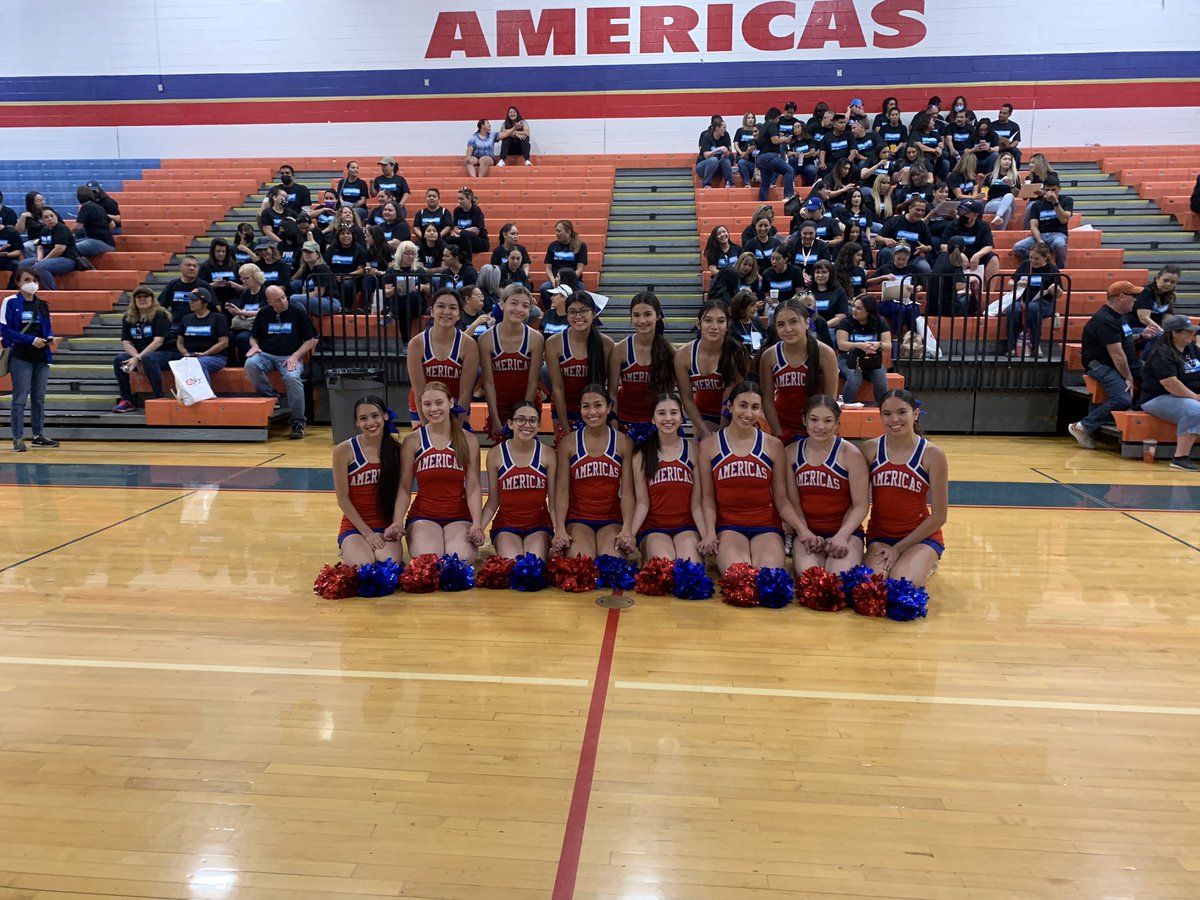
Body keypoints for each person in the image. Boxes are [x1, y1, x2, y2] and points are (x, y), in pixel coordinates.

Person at [696, 381, 804, 572]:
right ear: (730, 406)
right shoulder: (709, 445)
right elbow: (707, 498)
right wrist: (710, 533)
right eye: (742, 405)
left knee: (769, 579)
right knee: (740, 579)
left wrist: (803, 531)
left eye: (755, 407)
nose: (748, 414)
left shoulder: (774, 445)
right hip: (729, 527)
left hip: (766, 525)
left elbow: (782, 499)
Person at [390, 382, 484, 562]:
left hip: (459, 516)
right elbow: (404, 487)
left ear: (450, 403)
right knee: (430, 560)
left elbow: (473, 485)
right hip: (423, 516)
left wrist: (477, 524)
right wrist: (397, 521)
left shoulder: (468, 439)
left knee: (459, 561)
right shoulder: (413, 441)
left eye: (439, 403)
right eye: (427, 404)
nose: (433, 409)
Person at [862, 390, 947, 586]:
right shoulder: (870, 449)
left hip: (920, 537)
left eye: (902, 412)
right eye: (887, 414)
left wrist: (899, 548)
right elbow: (856, 501)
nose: (894, 419)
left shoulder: (933, 454)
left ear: (915, 414)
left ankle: (924, 560)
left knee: (901, 586)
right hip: (880, 535)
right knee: (875, 586)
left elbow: (940, 516)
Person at [786, 396, 869, 574]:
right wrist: (803, 532)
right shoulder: (791, 453)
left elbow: (860, 506)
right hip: (808, 533)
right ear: (804, 420)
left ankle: (856, 555)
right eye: (814, 419)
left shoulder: (851, 454)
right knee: (812, 582)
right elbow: (793, 503)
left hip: (845, 533)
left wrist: (842, 536)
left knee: (838, 580)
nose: (820, 427)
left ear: (837, 423)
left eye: (828, 420)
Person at [554, 385, 632, 559]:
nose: (592, 412)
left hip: (612, 519)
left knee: (611, 567)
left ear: (609, 408)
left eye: (598, 405)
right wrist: (559, 527)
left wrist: (627, 527)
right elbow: (562, 491)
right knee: (581, 566)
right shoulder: (568, 443)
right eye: (586, 406)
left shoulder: (623, 442)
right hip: (578, 519)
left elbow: (627, 491)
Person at [624, 394, 704, 562]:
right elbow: (642, 503)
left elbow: (696, 504)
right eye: (661, 413)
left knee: (689, 570)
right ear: (653, 419)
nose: (668, 418)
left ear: (681, 418)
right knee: (664, 569)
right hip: (654, 528)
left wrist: (707, 536)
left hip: (686, 527)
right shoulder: (640, 455)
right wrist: (630, 533)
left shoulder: (694, 451)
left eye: (674, 413)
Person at [1069, 281, 1143, 449]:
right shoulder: (1105, 319)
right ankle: (1082, 426)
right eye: (1133, 296)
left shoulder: (1120, 316)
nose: (1135, 300)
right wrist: (1129, 378)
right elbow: (1116, 354)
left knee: (1157, 374)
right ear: (1121, 296)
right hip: (1101, 365)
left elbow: (1122, 340)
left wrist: (1142, 336)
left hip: (1124, 363)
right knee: (1122, 399)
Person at [332, 396, 404, 565]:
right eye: (363, 418)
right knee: (364, 567)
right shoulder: (343, 450)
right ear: (357, 422)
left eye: (375, 415)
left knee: (388, 564)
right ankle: (349, 547)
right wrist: (368, 534)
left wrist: (395, 523)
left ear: (385, 416)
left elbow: (402, 492)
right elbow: (342, 499)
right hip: (355, 527)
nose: (370, 422)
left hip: (386, 526)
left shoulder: (397, 451)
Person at [480, 400, 557, 558]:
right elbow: (493, 500)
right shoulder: (496, 454)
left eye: (532, 420)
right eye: (521, 419)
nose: (527, 425)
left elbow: (554, 502)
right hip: (506, 526)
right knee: (514, 566)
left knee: (532, 567)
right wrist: (478, 527)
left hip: (539, 526)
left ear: (539, 425)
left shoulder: (548, 454)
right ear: (510, 423)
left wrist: (559, 530)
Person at [759, 299, 839, 443]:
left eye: (794, 322)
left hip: (816, 428)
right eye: (781, 324)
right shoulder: (769, 356)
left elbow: (830, 401)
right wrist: (779, 434)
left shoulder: (825, 353)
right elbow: (767, 401)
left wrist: (822, 432)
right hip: (783, 428)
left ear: (807, 322)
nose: (788, 329)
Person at [244, 285, 318, 440]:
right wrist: (255, 346)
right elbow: (253, 336)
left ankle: (298, 422)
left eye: (284, 297)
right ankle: (272, 397)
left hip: (289, 356)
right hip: (267, 355)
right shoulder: (263, 313)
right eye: (278, 300)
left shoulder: (297, 311)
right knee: (250, 364)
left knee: (292, 378)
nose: (283, 302)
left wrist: (295, 356)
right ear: (270, 302)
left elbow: (311, 340)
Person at [674, 300, 751, 439]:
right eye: (708, 320)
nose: (714, 327)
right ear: (699, 324)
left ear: (727, 325)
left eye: (720, 321)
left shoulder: (737, 352)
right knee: (704, 448)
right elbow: (686, 398)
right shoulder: (683, 355)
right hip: (702, 414)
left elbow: (731, 396)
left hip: (734, 413)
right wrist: (703, 430)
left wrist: (722, 432)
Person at [2, 270, 58, 451]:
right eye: (27, 280)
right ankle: (18, 438)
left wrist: (49, 338)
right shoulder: (10, 302)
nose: (31, 283)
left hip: (42, 356)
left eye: (34, 280)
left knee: (39, 398)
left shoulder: (42, 304)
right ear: (18, 283)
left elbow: (48, 328)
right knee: (19, 399)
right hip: (21, 356)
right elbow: (6, 331)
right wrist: (31, 340)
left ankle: (37, 434)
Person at [480, 285, 544, 438]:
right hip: (499, 407)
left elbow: (533, 381)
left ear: (530, 310)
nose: (519, 309)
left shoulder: (535, 339)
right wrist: (494, 418)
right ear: (502, 305)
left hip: (527, 403)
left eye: (525, 305)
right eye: (514, 303)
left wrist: (525, 414)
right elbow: (488, 383)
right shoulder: (486, 338)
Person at [406, 289, 478, 424]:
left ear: (459, 315)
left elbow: (465, 393)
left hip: (456, 406)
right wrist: (429, 431)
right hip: (423, 406)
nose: (446, 312)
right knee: (426, 444)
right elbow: (419, 392)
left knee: (458, 444)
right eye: (441, 306)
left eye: (452, 308)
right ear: (432, 311)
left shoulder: (469, 345)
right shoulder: (416, 344)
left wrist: (457, 427)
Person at [1138, 316, 1200, 471]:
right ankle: (1180, 458)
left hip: (1188, 395)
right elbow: (1171, 384)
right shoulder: (1162, 353)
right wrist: (1196, 397)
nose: (1193, 335)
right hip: (1158, 397)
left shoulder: (1191, 350)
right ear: (1175, 333)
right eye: (1188, 332)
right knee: (1194, 409)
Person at [546, 291, 611, 433]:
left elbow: (611, 390)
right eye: (572, 312)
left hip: (596, 411)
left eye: (583, 311)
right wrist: (565, 424)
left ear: (593, 313)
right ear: (567, 315)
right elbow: (557, 388)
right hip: (565, 409)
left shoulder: (607, 344)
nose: (578, 316)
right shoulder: (554, 343)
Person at [609, 291, 676, 429]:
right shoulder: (620, 349)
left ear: (657, 316)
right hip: (624, 420)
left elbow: (669, 393)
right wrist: (614, 424)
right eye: (636, 315)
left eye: (647, 314)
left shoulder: (669, 350)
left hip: (656, 422)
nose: (642, 321)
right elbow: (611, 392)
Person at [112, 287, 175, 412]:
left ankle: (159, 398)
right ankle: (127, 399)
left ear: (152, 299)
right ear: (134, 300)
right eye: (139, 297)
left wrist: (137, 358)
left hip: (166, 352)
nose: (142, 299)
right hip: (141, 354)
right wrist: (136, 357)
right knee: (120, 360)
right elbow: (126, 342)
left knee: (148, 358)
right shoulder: (128, 317)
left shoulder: (160, 314)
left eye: (146, 297)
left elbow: (158, 341)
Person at [1006, 242, 1061, 358]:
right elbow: (1010, 282)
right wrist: (1018, 283)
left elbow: (1059, 293)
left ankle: (1036, 345)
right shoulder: (1025, 265)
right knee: (1012, 309)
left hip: (1044, 302)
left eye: (1036, 258)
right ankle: (1011, 346)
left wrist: (1053, 289)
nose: (1032, 261)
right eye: (1031, 257)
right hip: (1022, 300)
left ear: (1045, 257)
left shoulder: (1052, 269)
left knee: (1032, 308)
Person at [837, 294, 891, 405]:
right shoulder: (845, 322)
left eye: (859, 308)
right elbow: (841, 345)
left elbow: (888, 345)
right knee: (855, 377)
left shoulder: (880, 323)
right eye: (854, 306)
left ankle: (882, 408)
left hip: (871, 360)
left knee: (881, 377)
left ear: (869, 312)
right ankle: (845, 406)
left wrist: (878, 344)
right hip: (848, 359)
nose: (854, 310)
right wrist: (860, 346)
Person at [16, 208, 82, 291]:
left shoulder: (61, 229)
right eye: (46, 217)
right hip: (49, 258)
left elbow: (59, 249)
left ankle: (51, 291)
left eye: (52, 216)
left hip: (67, 259)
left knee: (41, 267)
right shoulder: (45, 230)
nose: (50, 219)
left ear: (56, 216)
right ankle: (28, 290)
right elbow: (40, 246)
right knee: (23, 264)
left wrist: (43, 261)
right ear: (42, 220)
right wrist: (39, 259)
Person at [1013, 178, 1073, 268]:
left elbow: (1064, 220)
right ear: (1043, 190)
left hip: (1058, 234)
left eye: (1053, 190)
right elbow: (1033, 226)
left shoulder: (1066, 200)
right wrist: (1039, 241)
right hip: (1041, 234)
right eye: (1047, 190)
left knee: (1060, 245)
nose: (1050, 192)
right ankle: (1041, 265)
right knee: (1018, 247)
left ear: (1059, 189)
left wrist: (1055, 202)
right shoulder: (1036, 205)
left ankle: (1059, 269)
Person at [175, 288, 228, 385]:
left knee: (199, 364)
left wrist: (205, 354)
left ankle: (204, 394)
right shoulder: (186, 318)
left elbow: (223, 342)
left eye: (195, 300)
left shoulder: (217, 318)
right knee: (181, 364)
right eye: (190, 300)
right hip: (191, 355)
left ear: (205, 303)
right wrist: (185, 353)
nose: (191, 303)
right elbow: (179, 342)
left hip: (215, 356)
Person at [876, 198, 933, 272]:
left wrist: (925, 248)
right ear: (910, 208)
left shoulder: (923, 226)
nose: (920, 213)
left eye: (922, 211)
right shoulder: (895, 221)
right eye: (917, 210)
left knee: (925, 267)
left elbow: (930, 246)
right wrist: (885, 240)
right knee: (886, 252)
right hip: (894, 254)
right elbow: (877, 238)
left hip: (912, 257)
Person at [540, 220, 588, 306]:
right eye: (556, 231)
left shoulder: (581, 246)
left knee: (580, 291)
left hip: (573, 280)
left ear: (568, 232)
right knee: (544, 288)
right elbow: (548, 268)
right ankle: (552, 310)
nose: (556, 233)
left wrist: (568, 280)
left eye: (559, 231)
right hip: (556, 280)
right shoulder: (553, 246)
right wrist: (553, 281)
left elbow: (580, 269)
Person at [754, 107, 795, 202]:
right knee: (789, 170)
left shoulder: (763, 126)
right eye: (778, 117)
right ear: (775, 116)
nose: (778, 120)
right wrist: (785, 139)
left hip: (761, 158)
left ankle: (762, 202)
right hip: (770, 155)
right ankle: (789, 196)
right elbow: (775, 140)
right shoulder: (772, 124)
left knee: (765, 183)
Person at [289, 240, 340, 315]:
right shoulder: (306, 270)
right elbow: (304, 289)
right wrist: (302, 297)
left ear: (318, 255)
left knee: (293, 298)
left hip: (330, 301)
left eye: (310, 252)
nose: (306, 254)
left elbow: (318, 293)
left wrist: (300, 297)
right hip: (315, 300)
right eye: (305, 252)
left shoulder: (322, 268)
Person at [324, 225, 368, 309]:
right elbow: (325, 265)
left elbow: (361, 270)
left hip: (351, 277)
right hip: (333, 277)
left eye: (348, 233)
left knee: (347, 284)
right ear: (338, 236)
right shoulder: (332, 248)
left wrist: (345, 276)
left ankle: (346, 308)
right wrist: (332, 276)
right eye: (342, 233)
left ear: (352, 236)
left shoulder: (359, 249)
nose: (346, 236)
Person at [1131, 265, 1180, 338]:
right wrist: (1162, 333)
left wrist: (1170, 334)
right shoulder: (1145, 292)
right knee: (1159, 337)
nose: (1168, 284)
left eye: (1172, 282)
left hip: (1153, 329)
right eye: (1165, 280)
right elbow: (1144, 318)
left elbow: (1167, 319)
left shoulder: (1171, 296)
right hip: (1135, 328)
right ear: (1157, 278)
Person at [73, 186, 115, 259]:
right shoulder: (99, 207)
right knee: (74, 243)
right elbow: (112, 225)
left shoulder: (86, 207)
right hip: (108, 242)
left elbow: (78, 227)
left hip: (98, 241)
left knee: (71, 248)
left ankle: (86, 267)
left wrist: (69, 235)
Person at [445, 187, 488, 258]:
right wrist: (462, 231)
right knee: (447, 239)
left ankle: (468, 261)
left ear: (469, 198)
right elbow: (455, 228)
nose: (459, 201)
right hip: (463, 239)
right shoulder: (457, 211)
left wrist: (461, 232)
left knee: (464, 234)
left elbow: (476, 231)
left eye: (462, 199)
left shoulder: (476, 210)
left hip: (479, 242)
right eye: (458, 199)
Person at [983, 152, 1021, 229]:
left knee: (1009, 195)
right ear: (999, 161)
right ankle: (1001, 231)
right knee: (1007, 209)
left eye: (1010, 160)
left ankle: (998, 216)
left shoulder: (1015, 177)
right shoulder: (990, 176)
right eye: (1005, 159)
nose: (1007, 161)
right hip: (993, 202)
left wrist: (1011, 185)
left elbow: (1016, 195)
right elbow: (984, 192)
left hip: (1010, 201)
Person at [696, 116, 734, 188]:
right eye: (724, 128)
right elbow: (706, 155)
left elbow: (728, 152)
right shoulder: (706, 136)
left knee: (725, 160)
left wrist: (726, 154)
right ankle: (706, 184)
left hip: (717, 167)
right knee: (713, 160)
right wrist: (718, 149)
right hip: (703, 166)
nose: (725, 130)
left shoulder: (725, 136)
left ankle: (730, 183)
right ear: (717, 128)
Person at [733, 112, 758, 188]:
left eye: (752, 118)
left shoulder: (756, 131)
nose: (751, 120)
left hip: (754, 157)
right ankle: (747, 183)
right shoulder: (740, 131)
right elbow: (736, 144)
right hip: (742, 155)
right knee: (742, 161)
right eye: (749, 118)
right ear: (745, 120)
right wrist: (741, 153)